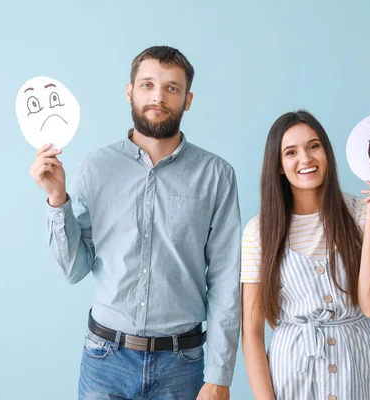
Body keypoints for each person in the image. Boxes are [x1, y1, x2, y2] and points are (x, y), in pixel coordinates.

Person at [30, 46, 241, 400]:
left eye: (172, 88)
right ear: (130, 92)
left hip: (182, 365)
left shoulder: (216, 175)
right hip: (105, 360)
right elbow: (74, 269)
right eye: (147, 85)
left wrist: (220, 375)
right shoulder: (94, 168)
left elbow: (225, 280)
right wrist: (57, 200)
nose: (158, 96)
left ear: (187, 100)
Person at [241, 110, 370, 399]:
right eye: (291, 152)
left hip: (358, 368)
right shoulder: (258, 232)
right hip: (293, 371)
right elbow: (251, 332)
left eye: (314, 146)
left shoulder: (364, 214)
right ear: (278, 166)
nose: (306, 159)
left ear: (327, 152)